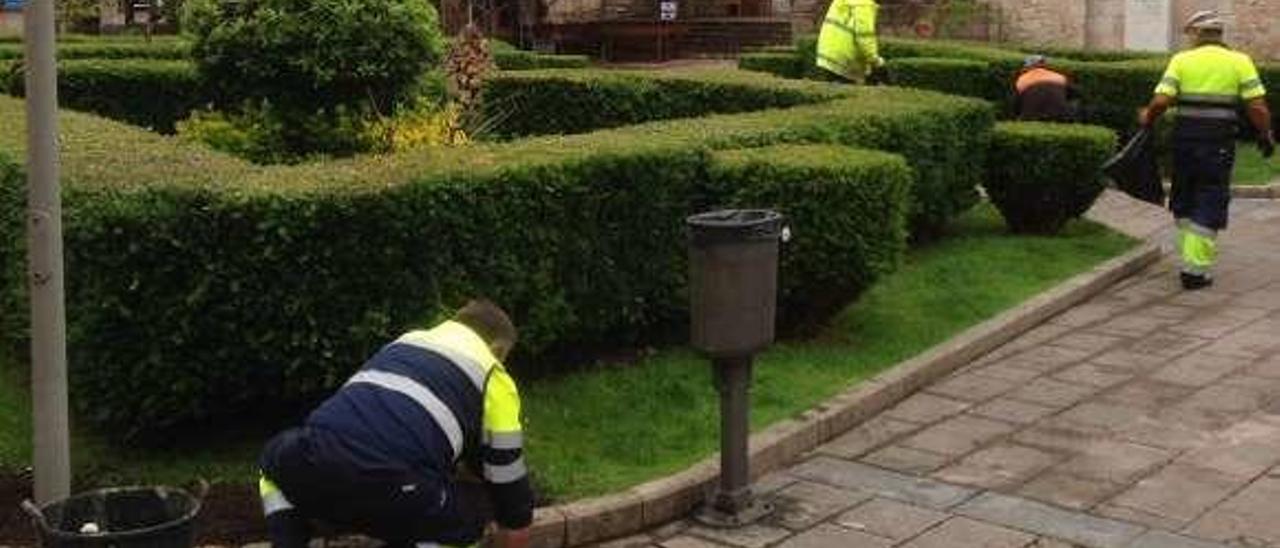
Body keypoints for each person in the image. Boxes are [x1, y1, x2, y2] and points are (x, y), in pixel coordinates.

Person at [257, 299, 532, 548]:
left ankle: (288, 541)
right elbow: (506, 475)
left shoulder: (407, 342)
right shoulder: (494, 376)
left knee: (273, 463)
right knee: (462, 530)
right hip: (396, 485)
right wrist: (516, 522)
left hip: (314, 456)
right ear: (497, 349)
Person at [1138, 10, 1275, 290]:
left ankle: (1191, 258)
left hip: (1185, 140)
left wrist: (1147, 117)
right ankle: (1195, 270)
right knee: (1210, 196)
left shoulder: (1181, 60)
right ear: (1219, 34)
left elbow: (1162, 100)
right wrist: (1265, 134)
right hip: (1218, 143)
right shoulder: (1240, 61)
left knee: (1184, 194)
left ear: (1195, 34)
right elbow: (1257, 106)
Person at [815, 0, 886, 84]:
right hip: (844, 59)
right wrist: (876, 62)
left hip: (828, 54)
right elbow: (864, 37)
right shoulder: (864, 4)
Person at [1014, 54, 1080, 122]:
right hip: (1060, 116)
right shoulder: (1058, 76)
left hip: (1030, 117)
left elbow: (1016, 103)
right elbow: (1075, 93)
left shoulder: (1022, 79)